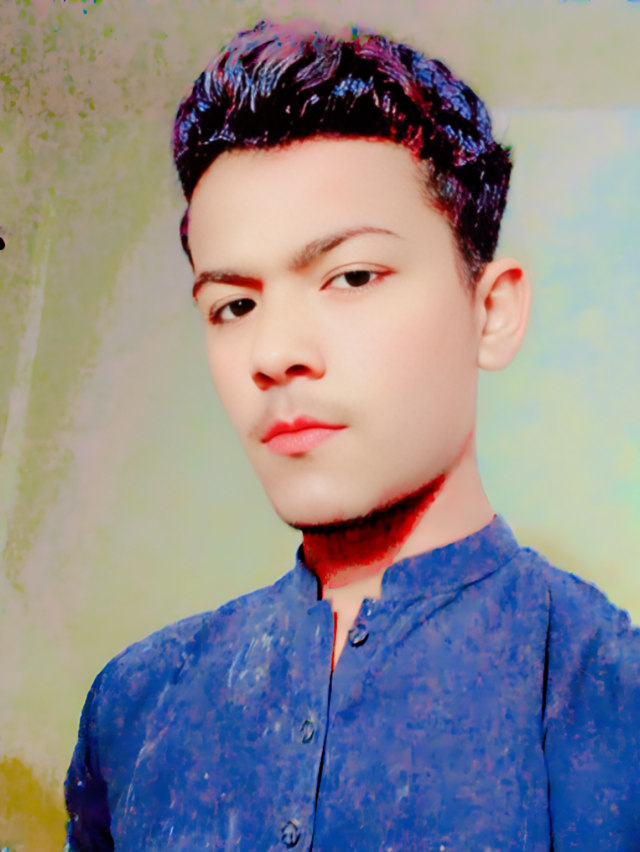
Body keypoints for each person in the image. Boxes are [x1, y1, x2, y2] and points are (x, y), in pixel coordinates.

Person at [64, 18, 640, 851]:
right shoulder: (132, 706)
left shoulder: (615, 700)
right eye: (234, 304)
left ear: (491, 311)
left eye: (353, 276)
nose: (274, 353)